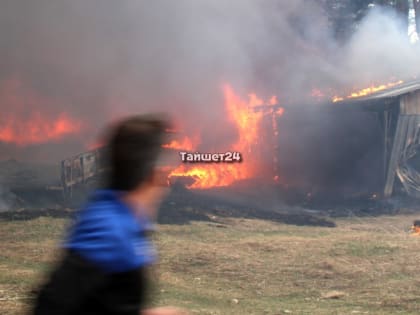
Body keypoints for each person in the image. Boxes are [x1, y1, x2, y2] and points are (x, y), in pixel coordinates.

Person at [32, 115, 188, 315]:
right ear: (154, 175)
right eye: (166, 173)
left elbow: (105, 302)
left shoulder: (124, 217)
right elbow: (51, 307)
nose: (166, 185)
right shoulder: (107, 232)